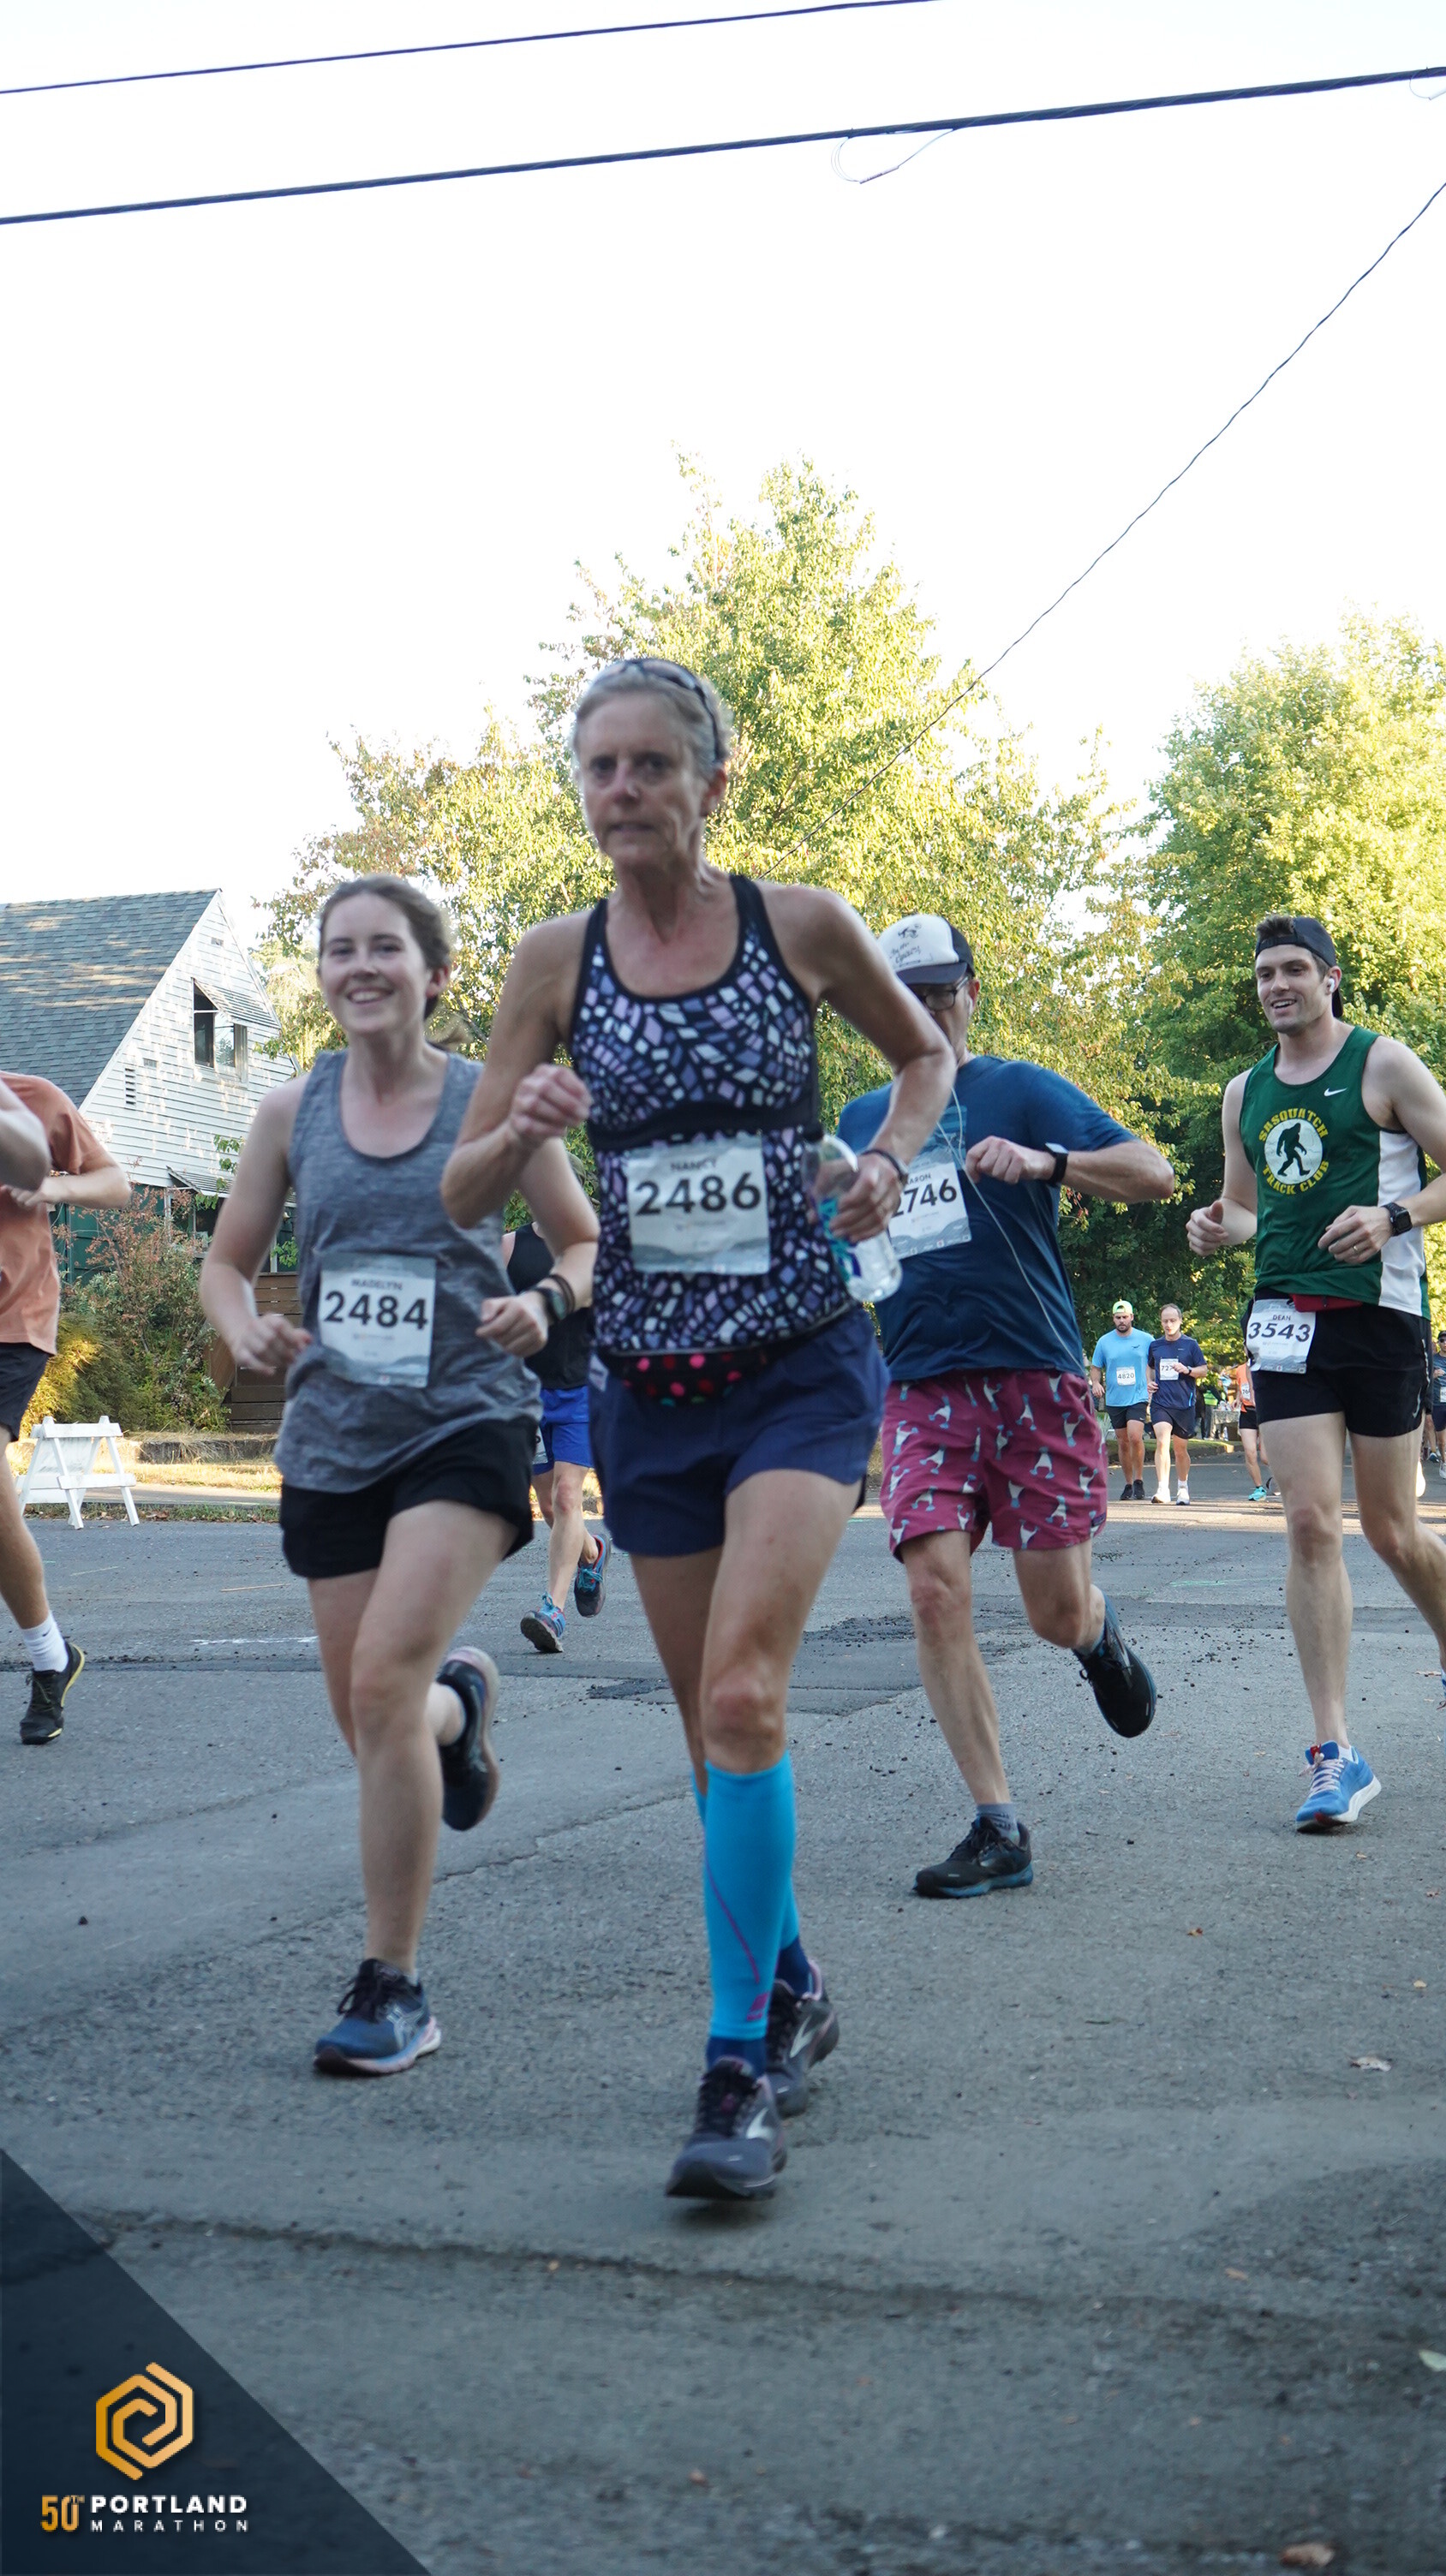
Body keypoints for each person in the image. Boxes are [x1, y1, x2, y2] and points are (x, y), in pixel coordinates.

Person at [439, 656, 954, 2198]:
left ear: (712, 782)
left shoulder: (797, 926)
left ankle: (736, 2064)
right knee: (708, 1728)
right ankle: (790, 1979)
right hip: (648, 1382)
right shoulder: (556, 959)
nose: (621, 791)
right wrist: (521, 1129)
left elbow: (920, 1057)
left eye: (650, 764)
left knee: (741, 1694)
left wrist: (888, 1162)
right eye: (598, 766)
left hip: (799, 1363)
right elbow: (461, 1191)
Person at [201, 874, 600, 2072]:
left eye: (385, 947)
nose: (359, 966)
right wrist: (244, 1328)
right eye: (339, 949)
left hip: (463, 1423)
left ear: (434, 975)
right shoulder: (291, 1111)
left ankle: (395, 1985)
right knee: (373, 1712)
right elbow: (225, 1266)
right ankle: (457, 1709)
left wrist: (546, 1299)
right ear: (322, 972)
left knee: (379, 1682)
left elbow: (583, 1238)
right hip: (332, 1438)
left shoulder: (489, 1100)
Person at [837, 914, 1174, 1900]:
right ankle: (997, 1823)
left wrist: (1046, 1162)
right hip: (921, 1385)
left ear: (971, 995)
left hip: (1032, 1379)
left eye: (941, 992)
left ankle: (1096, 1634)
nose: (925, 1011)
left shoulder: (1020, 1090)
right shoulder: (858, 1122)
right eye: (904, 997)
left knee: (1051, 1610)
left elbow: (1153, 1172)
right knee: (932, 1588)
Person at [1187, 910, 1446, 1830]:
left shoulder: (1382, 1064)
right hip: (1283, 1321)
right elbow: (1245, 1208)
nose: (1277, 986)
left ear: (1329, 978)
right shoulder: (1243, 1091)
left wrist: (1394, 1216)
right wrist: (1215, 1226)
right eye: (1265, 974)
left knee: (1391, 1529)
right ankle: (1334, 1751)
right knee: (1307, 1523)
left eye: (1293, 969)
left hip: (1380, 1318)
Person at [0, 1069, 130, 1744]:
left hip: (14, 1320)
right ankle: (52, 1657)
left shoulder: (34, 1101)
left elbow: (115, 1184)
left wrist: (53, 1186)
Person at [504, 1211, 612, 1651]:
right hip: (528, 1396)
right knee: (549, 1506)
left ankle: (553, 1611)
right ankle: (592, 1553)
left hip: (582, 1393)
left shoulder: (594, 1248)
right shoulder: (509, 1248)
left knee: (569, 1497)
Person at [1088, 1297, 1153, 1498]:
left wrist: (1153, 1383)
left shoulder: (1146, 1339)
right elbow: (1095, 1367)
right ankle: (1128, 1483)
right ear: (1113, 1319)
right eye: (1118, 1317)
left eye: (1125, 1317)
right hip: (1115, 1398)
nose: (1122, 1321)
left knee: (1135, 1436)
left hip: (1138, 1396)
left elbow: (1155, 1363)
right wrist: (1096, 1383)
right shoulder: (1104, 1342)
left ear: (1132, 1317)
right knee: (1123, 1441)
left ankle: (1139, 1480)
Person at [1146, 1303, 1207, 1506]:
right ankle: (1163, 1489)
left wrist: (1187, 1370)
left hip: (1184, 1404)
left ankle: (1183, 1487)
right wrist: (1149, 1382)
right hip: (1161, 1402)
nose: (1169, 1324)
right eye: (1165, 1321)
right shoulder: (1155, 1345)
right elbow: (1150, 1366)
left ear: (1180, 1321)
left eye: (1173, 1320)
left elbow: (1203, 1370)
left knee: (1180, 1450)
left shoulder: (1191, 1345)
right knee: (1162, 1442)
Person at [1231, 1352, 1271, 1499]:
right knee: (1250, 1453)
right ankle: (1259, 1488)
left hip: (1265, 1412)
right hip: (1247, 1412)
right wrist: (1238, 1399)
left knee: (1266, 1457)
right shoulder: (1240, 1369)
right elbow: (1241, 1387)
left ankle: (1280, 1477)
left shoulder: (1266, 1365)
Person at [1429, 1329, 1446, 1481]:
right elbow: (1424, 1378)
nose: (1445, 1343)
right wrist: (1433, 1375)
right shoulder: (1433, 1360)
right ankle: (1444, 1462)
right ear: (1439, 1343)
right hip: (1438, 1402)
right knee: (1442, 1441)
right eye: (1442, 1340)